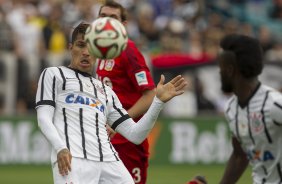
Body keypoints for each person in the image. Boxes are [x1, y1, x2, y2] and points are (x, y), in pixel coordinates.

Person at [35, 22, 187, 184]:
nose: (86, 52)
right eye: (80, 45)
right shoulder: (54, 74)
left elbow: (135, 134)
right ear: (71, 48)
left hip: (109, 161)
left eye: (91, 47)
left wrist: (158, 102)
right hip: (73, 158)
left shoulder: (105, 91)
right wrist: (60, 148)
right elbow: (43, 117)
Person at [96, 1, 156, 183]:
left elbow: (150, 94)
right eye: (103, 17)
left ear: (123, 25)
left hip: (127, 140)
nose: (107, 22)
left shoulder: (128, 49)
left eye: (112, 18)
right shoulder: (98, 51)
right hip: (104, 140)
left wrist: (119, 123)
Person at [218, 34, 282, 184]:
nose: (219, 72)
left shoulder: (274, 104)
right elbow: (240, 156)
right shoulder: (231, 108)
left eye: (221, 67)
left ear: (230, 70)